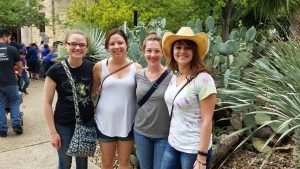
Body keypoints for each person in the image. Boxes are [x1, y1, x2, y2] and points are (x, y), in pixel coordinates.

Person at [160, 27, 217, 169]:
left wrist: (202, 157)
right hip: (173, 143)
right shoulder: (175, 76)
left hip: (193, 149)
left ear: (194, 52)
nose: (182, 51)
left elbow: (207, 119)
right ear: (173, 51)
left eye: (187, 48)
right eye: (178, 47)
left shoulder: (203, 79)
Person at [43, 30, 94, 169]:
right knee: (65, 163)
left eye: (82, 45)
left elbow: (96, 92)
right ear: (66, 45)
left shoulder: (92, 67)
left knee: (83, 164)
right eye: (73, 44)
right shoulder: (55, 70)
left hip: (86, 124)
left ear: (86, 48)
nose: (78, 48)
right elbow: (47, 104)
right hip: (63, 125)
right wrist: (53, 133)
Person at [92, 29, 142, 169]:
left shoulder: (136, 68)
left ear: (126, 44)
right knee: (106, 164)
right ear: (107, 47)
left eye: (120, 42)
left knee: (124, 164)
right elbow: (93, 93)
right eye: (112, 43)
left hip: (127, 121)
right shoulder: (99, 67)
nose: (116, 46)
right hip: (104, 122)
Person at [134, 32, 172, 169]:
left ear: (162, 53)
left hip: (164, 134)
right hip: (141, 132)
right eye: (149, 51)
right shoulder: (137, 75)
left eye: (157, 51)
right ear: (143, 52)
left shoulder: (172, 76)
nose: (153, 55)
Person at [0, 28, 23, 137]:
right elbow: (19, 66)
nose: (10, 39)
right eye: (9, 37)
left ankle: (3, 130)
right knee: (14, 102)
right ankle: (16, 126)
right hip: (10, 82)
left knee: (0, 105)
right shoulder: (12, 49)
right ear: (4, 37)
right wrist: (18, 75)